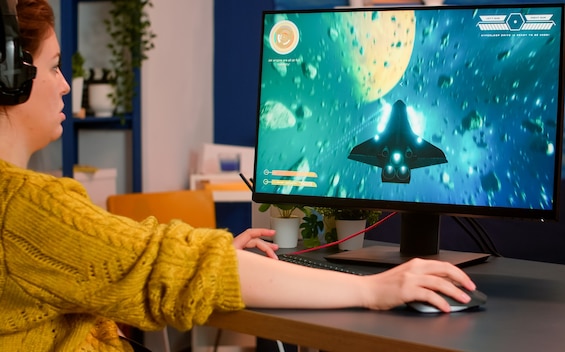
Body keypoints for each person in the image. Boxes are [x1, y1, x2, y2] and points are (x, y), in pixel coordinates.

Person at [0, 0, 477, 351]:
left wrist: (214, 254)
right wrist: (374, 290)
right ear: (10, 79)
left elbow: (129, 257)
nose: (65, 84)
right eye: (56, 67)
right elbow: (165, 269)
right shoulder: (25, 209)